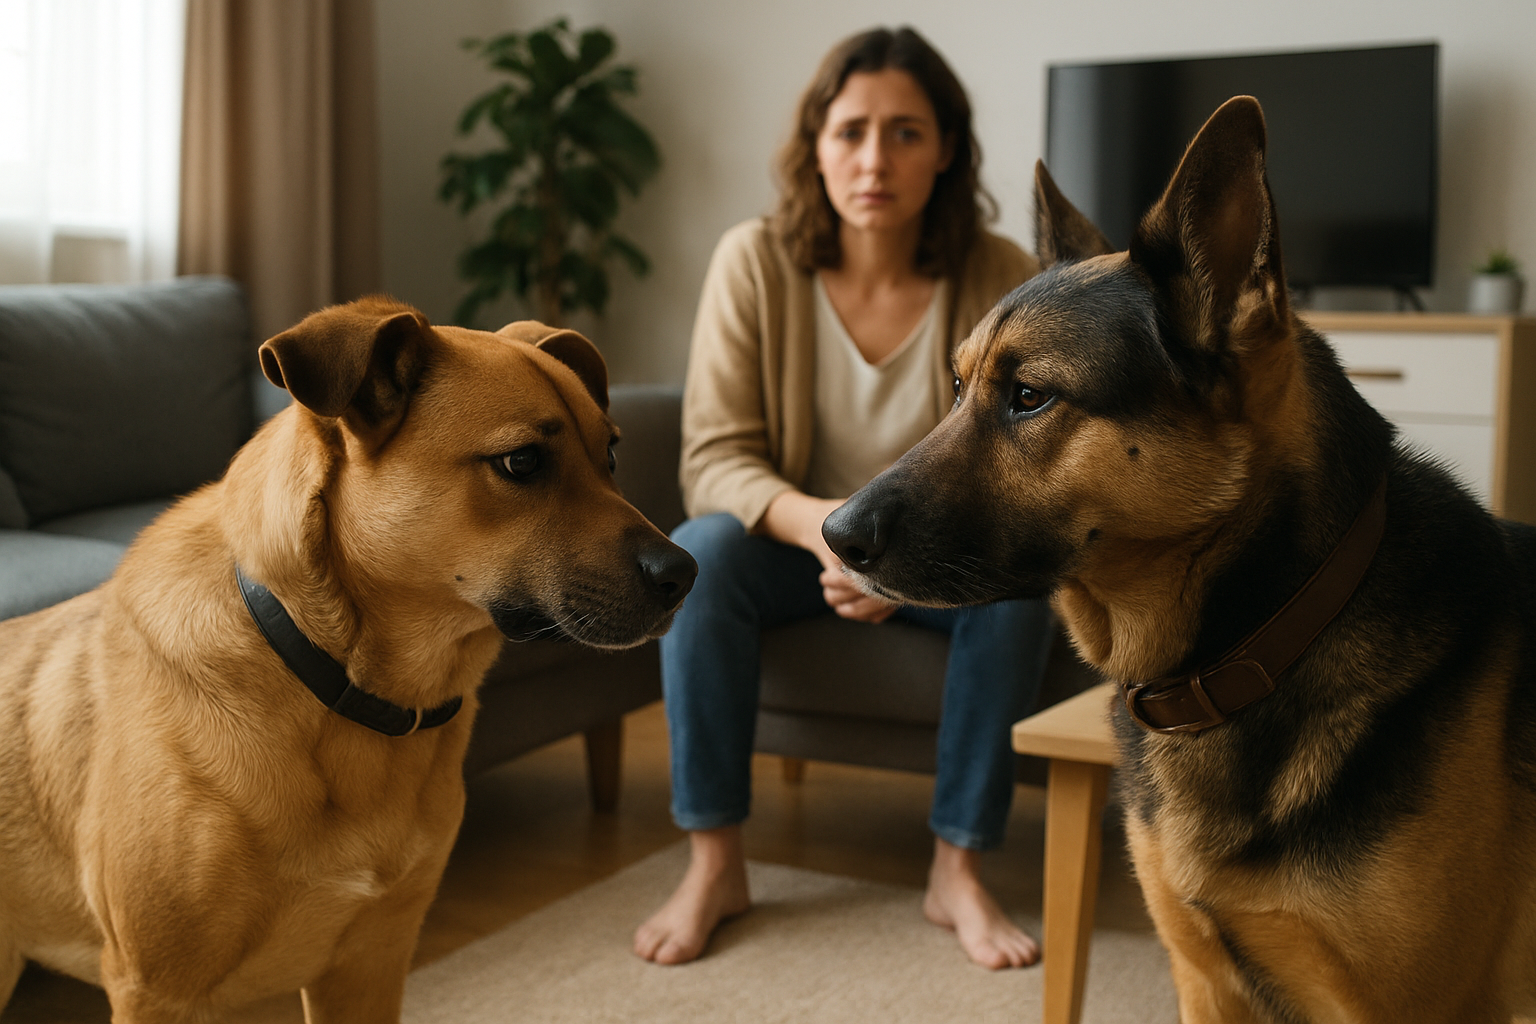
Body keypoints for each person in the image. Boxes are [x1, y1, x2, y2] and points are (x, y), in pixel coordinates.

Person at [633, 26, 1053, 970]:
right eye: (851, 130)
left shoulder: (998, 275)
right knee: (702, 550)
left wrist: (908, 571)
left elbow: (1017, 473)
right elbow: (716, 458)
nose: (875, 159)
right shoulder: (753, 261)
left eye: (906, 133)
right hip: (798, 547)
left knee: (1021, 594)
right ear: (815, 144)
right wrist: (837, 540)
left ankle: (958, 868)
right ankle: (714, 862)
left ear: (946, 149)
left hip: (944, 555)